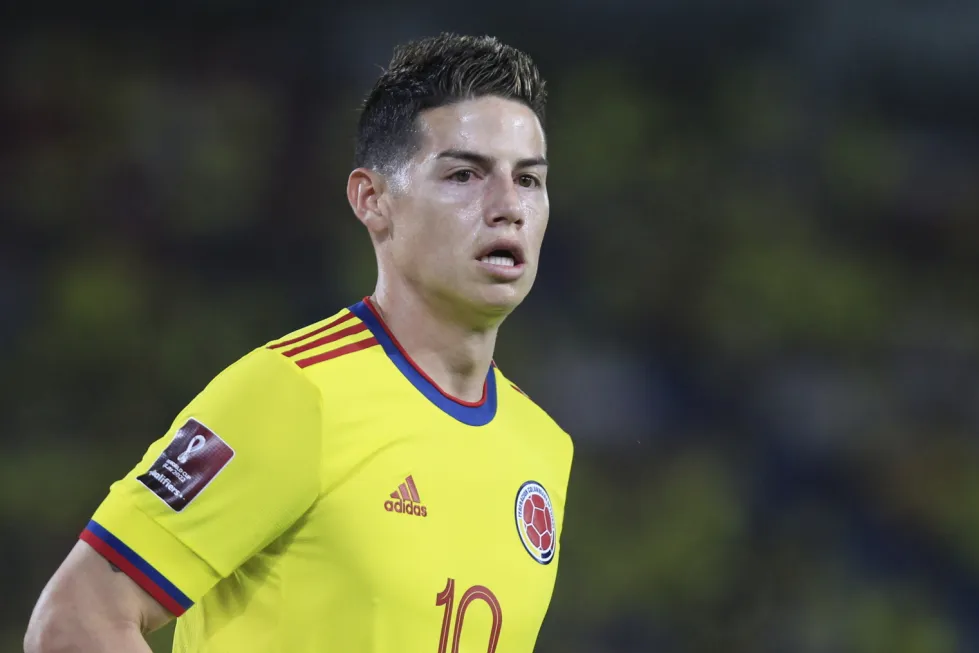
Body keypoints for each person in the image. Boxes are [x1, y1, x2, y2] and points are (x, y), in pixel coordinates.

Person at [25, 32, 573, 653]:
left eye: (529, 180)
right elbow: (76, 620)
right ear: (374, 201)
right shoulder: (296, 393)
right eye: (465, 174)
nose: (508, 206)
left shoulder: (543, 449)